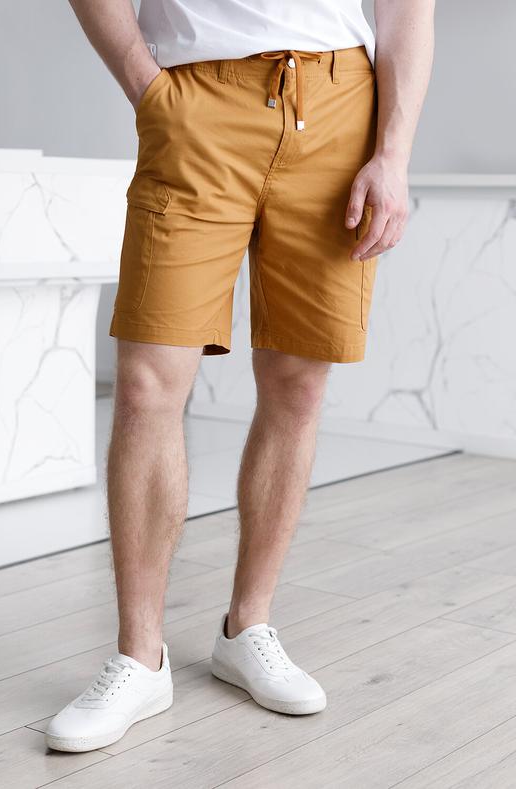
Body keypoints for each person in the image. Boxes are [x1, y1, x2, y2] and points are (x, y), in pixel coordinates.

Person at [46, 0, 435, 752]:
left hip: (339, 105)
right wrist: (147, 86)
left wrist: (394, 152)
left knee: (299, 385)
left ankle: (247, 626)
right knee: (147, 385)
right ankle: (139, 657)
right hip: (194, 98)